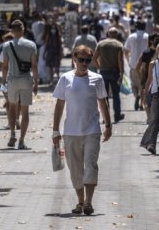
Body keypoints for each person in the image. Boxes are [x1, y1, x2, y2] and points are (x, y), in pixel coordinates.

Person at [52, 45, 112, 216]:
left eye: (88, 60)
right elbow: (59, 105)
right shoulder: (65, 79)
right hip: (71, 132)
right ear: (74, 59)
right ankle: (80, 201)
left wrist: (108, 125)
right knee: (75, 169)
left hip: (92, 130)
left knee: (91, 165)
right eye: (81, 60)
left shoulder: (97, 79)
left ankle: (88, 202)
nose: (85, 63)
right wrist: (55, 130)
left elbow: (103, 102)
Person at [1, 20, 38, 149]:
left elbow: (5, 66)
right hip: (26, 79)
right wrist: (36, 83)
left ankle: (12, 134)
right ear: (23, 30)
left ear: (12, 31)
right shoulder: (31, 45)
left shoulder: (6, 45)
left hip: (12, 79)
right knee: (25, 111)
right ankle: (22, 140)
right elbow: (34, 65)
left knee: (12, 107)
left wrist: (3, 80)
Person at [93, 27, 125, 123]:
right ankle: (117, 116)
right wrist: (122, 73)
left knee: (104, 96)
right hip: (114, 72)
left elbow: (94, 58)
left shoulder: (101, 44)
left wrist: (99, 68)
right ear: (116, 35)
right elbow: (120, 60)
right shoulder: (119, 45)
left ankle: (105, 118)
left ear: (108, 34)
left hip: (103, 72)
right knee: (116, 95)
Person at [124, 20, 149, 111]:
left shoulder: (131, 37)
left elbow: (126, 50)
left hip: (134, 63)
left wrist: (128, 60)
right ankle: (142, 103)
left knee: (134, 83)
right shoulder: (147, 37)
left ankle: (137, 96)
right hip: (145, 64)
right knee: (143, 83)